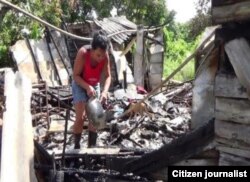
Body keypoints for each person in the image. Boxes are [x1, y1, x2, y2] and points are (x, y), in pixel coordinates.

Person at [72, 31, 111, 149]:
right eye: (98, 55)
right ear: (92, 50)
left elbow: (108, 76)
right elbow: (75, 76)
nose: (101, 58)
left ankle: (91, 148)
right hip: (80, 83)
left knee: (96, 119)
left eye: (103, 55)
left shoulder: (105, 56)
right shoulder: (83, 53)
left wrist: (104, 91)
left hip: (94, 84)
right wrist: (87, 87)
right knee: (80, 118)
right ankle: (77, 146)